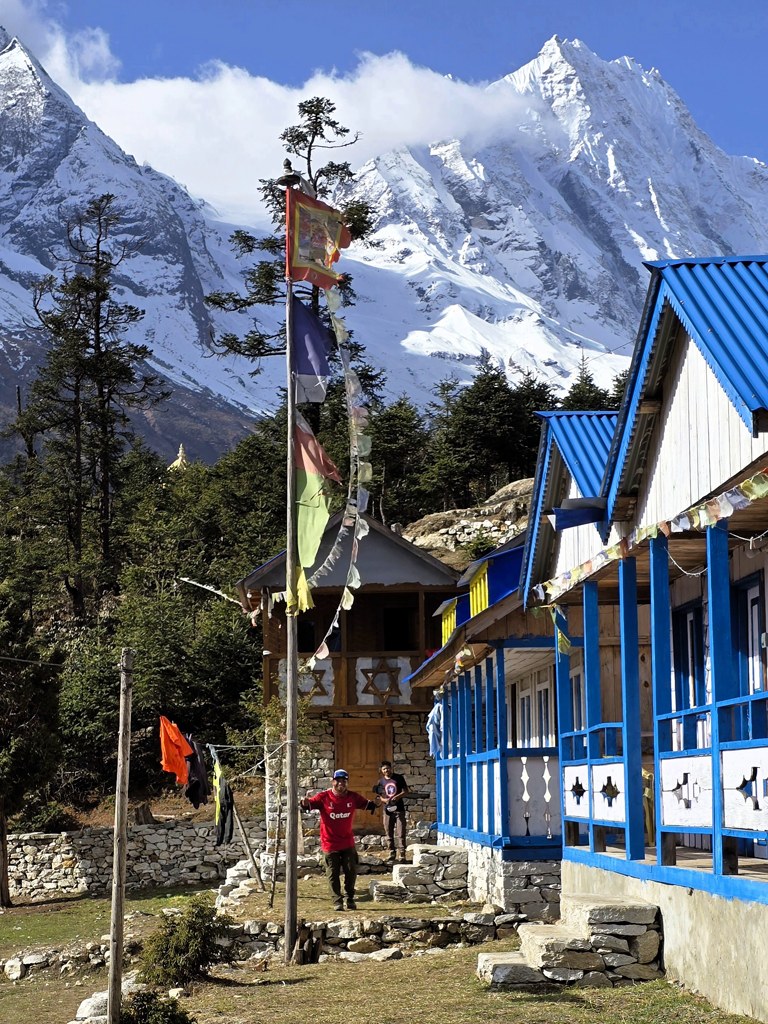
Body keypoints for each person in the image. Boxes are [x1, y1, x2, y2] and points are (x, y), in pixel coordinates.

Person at [300, 769, 377, 911]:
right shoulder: (324, 797)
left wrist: (378, 801)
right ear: (333, 781)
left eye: (344, 780)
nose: (341, 783)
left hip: (347, 842)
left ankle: (350, 898)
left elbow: (368, 804)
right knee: (332, 874)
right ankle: (337, 901)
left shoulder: (353, 797)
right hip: (330, 843)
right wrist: (305, 802)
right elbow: (308, 804)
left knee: (351, 871)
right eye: (338, 780)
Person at [373, 760, 409, 863]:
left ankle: (402, 855)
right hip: (387, 810)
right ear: (381, 770)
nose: (386, 770)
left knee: (401, 832)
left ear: (391, 768)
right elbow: (379, 796)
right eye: (384, 769)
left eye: (388, 768)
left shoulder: (399, 778)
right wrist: (385, 800)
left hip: (399, 809)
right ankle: (391, 853)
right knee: (388, 832)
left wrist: (397, 797)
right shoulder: (380, 782)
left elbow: (405, 791)